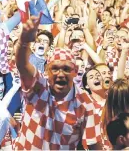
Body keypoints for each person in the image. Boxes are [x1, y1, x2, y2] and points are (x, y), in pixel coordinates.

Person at [14, 15, 102, 150]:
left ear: (76, 71)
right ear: (47, 70)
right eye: (55, 69)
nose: (60, 75)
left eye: (66, 69)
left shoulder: (85, 103)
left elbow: (95, 146)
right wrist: (23, 41)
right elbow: (22, 65)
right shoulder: (38, 87)